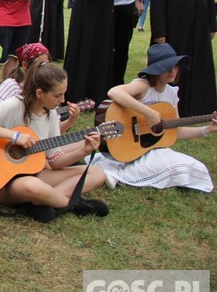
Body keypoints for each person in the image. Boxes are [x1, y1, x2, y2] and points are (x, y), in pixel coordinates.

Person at [0, 62, 107, 222]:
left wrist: (83, 150)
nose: (63, 100)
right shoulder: (15, 104)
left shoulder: (50, 115)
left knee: (97, 173)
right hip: (5, 182)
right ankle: (72, 204)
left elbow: (55, 161)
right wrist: (14, 136)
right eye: (57, 95)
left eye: (64, 94)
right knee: (33, 186)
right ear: (39, 93)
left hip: (37, 174)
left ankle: (42, 202)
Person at [89, 43, 214, 191]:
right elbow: (114, 92)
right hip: (129, 142)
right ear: (156, 70)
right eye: (167, 67)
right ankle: (115, 173)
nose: (172, 70)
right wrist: (149, 113)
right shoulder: (143, 86)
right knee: (169, 165)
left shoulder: (172, 93)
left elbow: (176, 130)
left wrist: (207, 129)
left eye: (175, 66)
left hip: (150, 149)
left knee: (194, 167)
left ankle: (117, 173)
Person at [149, 0, 217, 117]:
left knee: (200, 67)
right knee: (176, 70)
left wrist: (212, 25)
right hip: (176, 30)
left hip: (200, 29)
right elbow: (157, 5)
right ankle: (174, 108)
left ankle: (201, 108)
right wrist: (159, 33)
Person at [0, 43, 80, 133]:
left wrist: (70, 121)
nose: (43, 69)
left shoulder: (48, 97)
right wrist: (13, 136)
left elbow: (52, 133)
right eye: (39, 64)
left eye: (47, 64)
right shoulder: (11, 86)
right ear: (25, 65)